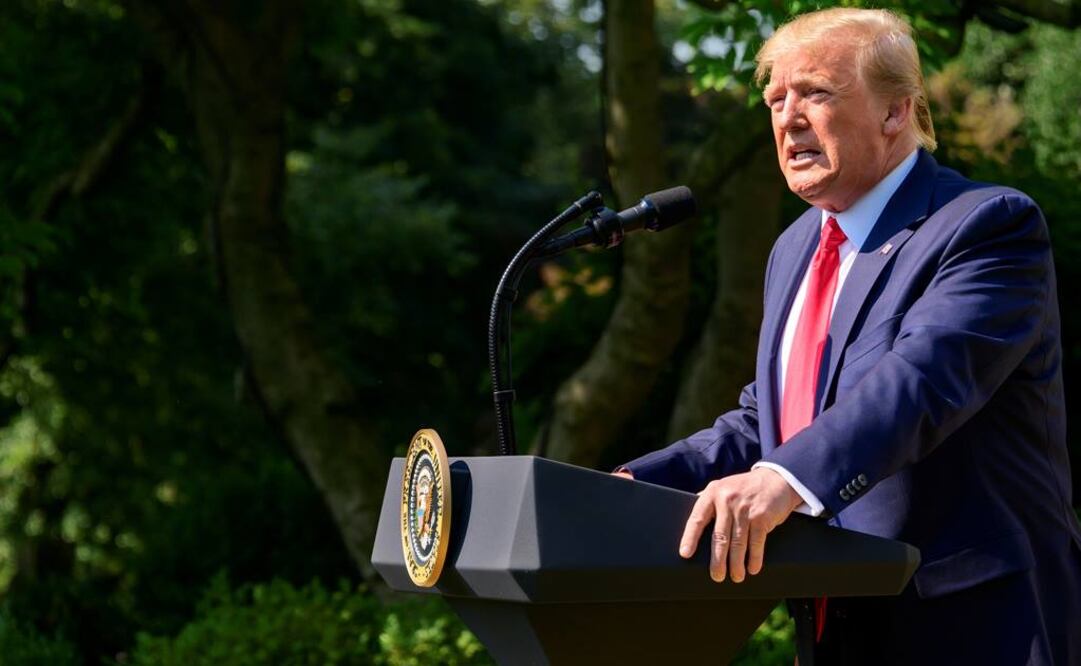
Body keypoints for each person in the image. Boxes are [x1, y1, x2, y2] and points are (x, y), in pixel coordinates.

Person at [614, 8, 1081, 664]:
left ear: (895, 112)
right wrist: (631, 483)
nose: (786, 117)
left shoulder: (985, 226)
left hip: (973, 622)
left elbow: (918, 382)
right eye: (775, 99)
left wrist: (782, 477)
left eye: (814, 93)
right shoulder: (794, 247)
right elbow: (772, 419)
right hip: (837, 621)